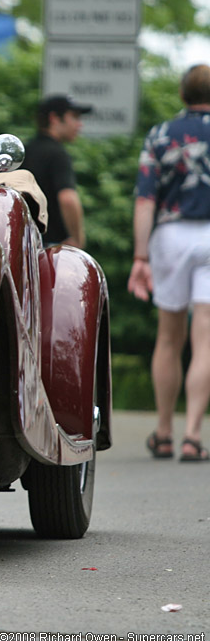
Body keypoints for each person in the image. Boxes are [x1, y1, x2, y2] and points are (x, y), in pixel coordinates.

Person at [129, 63, 210, 462]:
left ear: (182, 94)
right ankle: (193, 434)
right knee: (205, 338)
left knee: (168, 337)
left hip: (171, 236)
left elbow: (146, 200)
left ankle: (164, 431)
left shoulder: (161, 135)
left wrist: (140, 255)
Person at [21, 95, 92, 248]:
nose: (79, 125)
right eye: (74, 117)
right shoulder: (58, 154)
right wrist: (77, 239)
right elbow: (67, 198)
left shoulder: (26, 151)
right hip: (53, 248)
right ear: (54, 118)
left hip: (25, 244)